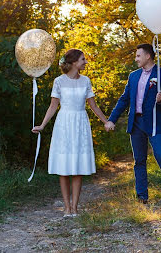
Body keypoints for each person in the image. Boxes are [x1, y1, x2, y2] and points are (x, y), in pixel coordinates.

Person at [32, 49, 111, 217]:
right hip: (64, 124)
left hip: (80, 123)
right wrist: (42, 125)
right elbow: (53, 106)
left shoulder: (86, 81)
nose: (85, 62)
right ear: (74, 62)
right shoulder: (59, 81)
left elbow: (93, 106)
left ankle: (75, 208)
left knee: (78, 168)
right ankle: (66, 208)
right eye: (83, 59)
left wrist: (106, 121)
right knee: (64, 168)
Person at [105, 43, 161, 207]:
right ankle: (142, 197)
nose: (136, 59)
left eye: (138, 55)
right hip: (137, 123)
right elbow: (124, 99)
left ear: (148, 56)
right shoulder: (133, 76)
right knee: (139, 161)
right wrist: (111, 119)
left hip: (155, 122)